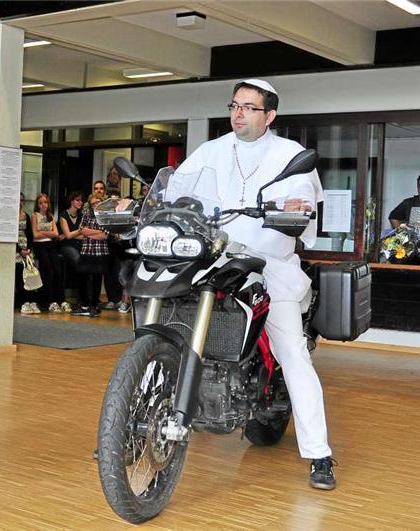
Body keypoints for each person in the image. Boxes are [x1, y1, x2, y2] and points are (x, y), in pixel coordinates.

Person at [175, 79, 335, 490]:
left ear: (270, 115)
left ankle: (319, 454)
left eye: (248, 107)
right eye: (234, 105)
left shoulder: (290, 155)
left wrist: (298, 207)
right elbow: (177, 190)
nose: (238, 113)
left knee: (293, 353)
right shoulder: (211, 150)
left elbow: (303, 196)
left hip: (269, 266)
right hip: (214, 260)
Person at [31, 193, 70, 312]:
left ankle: (62, 300)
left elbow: (56, 233)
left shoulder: (51, 216)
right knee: (48, 270)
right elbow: (35, 235)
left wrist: (42, 232)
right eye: (41, 203)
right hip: (39, 245)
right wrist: (48, 233)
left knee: (58, 271)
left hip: (50, 244)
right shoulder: (34, 216)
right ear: (37, 205)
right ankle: (51, 301)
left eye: (45, 202)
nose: (43, 205)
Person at [73, 193, 110, 317]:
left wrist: (89, 233)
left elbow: (104, 235)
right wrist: (96, 232)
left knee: (96, 279)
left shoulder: (106, 216)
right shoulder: (86, 215)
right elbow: (82, 230)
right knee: (81, 277)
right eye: (93, 203)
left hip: (100, 252)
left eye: (97, 202)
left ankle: (94, 306)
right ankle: (84, 305)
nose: (95, 205)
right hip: (86, 250)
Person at [58, 191, 85, 309]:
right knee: (78, 261)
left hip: (79, 244)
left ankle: (84, 299)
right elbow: (68, 236)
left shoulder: (81, 216)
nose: (80, 202)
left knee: (87, 263)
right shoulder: (63, 215)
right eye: (78, 200)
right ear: (71, 201)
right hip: (67, 246)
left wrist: (68, 234)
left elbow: (83, 236)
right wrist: (79, 231)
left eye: (81, 200)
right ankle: (81, 299)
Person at [16, 193, 41, 314]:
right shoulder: (11, 215)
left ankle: (32, 301)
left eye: (22, 200)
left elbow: (30, 234)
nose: (20, 203)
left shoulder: (26, 215)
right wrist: (19, 250)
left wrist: (29, 249)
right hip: (16, 249)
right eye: (18, 200)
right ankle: (24, 302)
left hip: (26, 248)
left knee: (31, 274)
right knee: (20, 273)